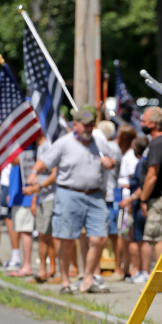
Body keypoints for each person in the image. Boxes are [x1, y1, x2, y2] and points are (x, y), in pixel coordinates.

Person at [27, 106, 116, 294]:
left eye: (91, 124)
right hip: (69, 194)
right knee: (66, 239)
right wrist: (34, 172)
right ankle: (65, 282)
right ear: (75, 125)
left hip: (96, 195)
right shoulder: (64, 143)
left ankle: (88, 278)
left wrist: (111, 163)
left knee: (99, 238)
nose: (89, 128)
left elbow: (111, 159)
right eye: (85, 125)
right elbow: (45, 160)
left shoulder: (99, 141)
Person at [123, 108, 162, 284]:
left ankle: (160, 280)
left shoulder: (158, 143)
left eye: (144, 121)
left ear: (153, 123)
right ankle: (161, 276)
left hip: (158, 197)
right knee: (158, 236)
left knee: (156, 238)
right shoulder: (159, 142)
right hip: (159, 196)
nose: (142, 123)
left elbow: (152, 176)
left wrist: (143, 199)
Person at [24, 135, 58, 284]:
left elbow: (55, 174)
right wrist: (35, 197)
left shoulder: (50, 145)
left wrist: (37, 188)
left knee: (53, 236)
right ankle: (43, 270)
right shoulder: (40, 147)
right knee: (42, 234)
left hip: (53, 196)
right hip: (42, 197)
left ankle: (54, 271)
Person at [96, 120, 123, 283]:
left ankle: (117, 268)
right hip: (105, 196)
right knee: (102, 233)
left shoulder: (111, 147)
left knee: (112, 234)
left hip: (110, 196)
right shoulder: (111, 146)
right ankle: (99, 268)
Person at [121, 136, 150, 281]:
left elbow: (141, 186)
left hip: (140, 205)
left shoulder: (142, 164)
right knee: (139, 238)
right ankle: (141, 271)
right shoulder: (144, 163)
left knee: (140, 239)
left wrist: (129, 200)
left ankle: (143, 271)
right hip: (139, 204)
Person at [114, 125, 138, 279]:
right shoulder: (128, 155)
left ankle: (126, 268)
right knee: (126, 236)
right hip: (125, 200)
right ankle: (126, 267)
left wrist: (129, 200)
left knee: (125, 236)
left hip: (127, 202)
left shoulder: (130, 157)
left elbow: (133, 181)